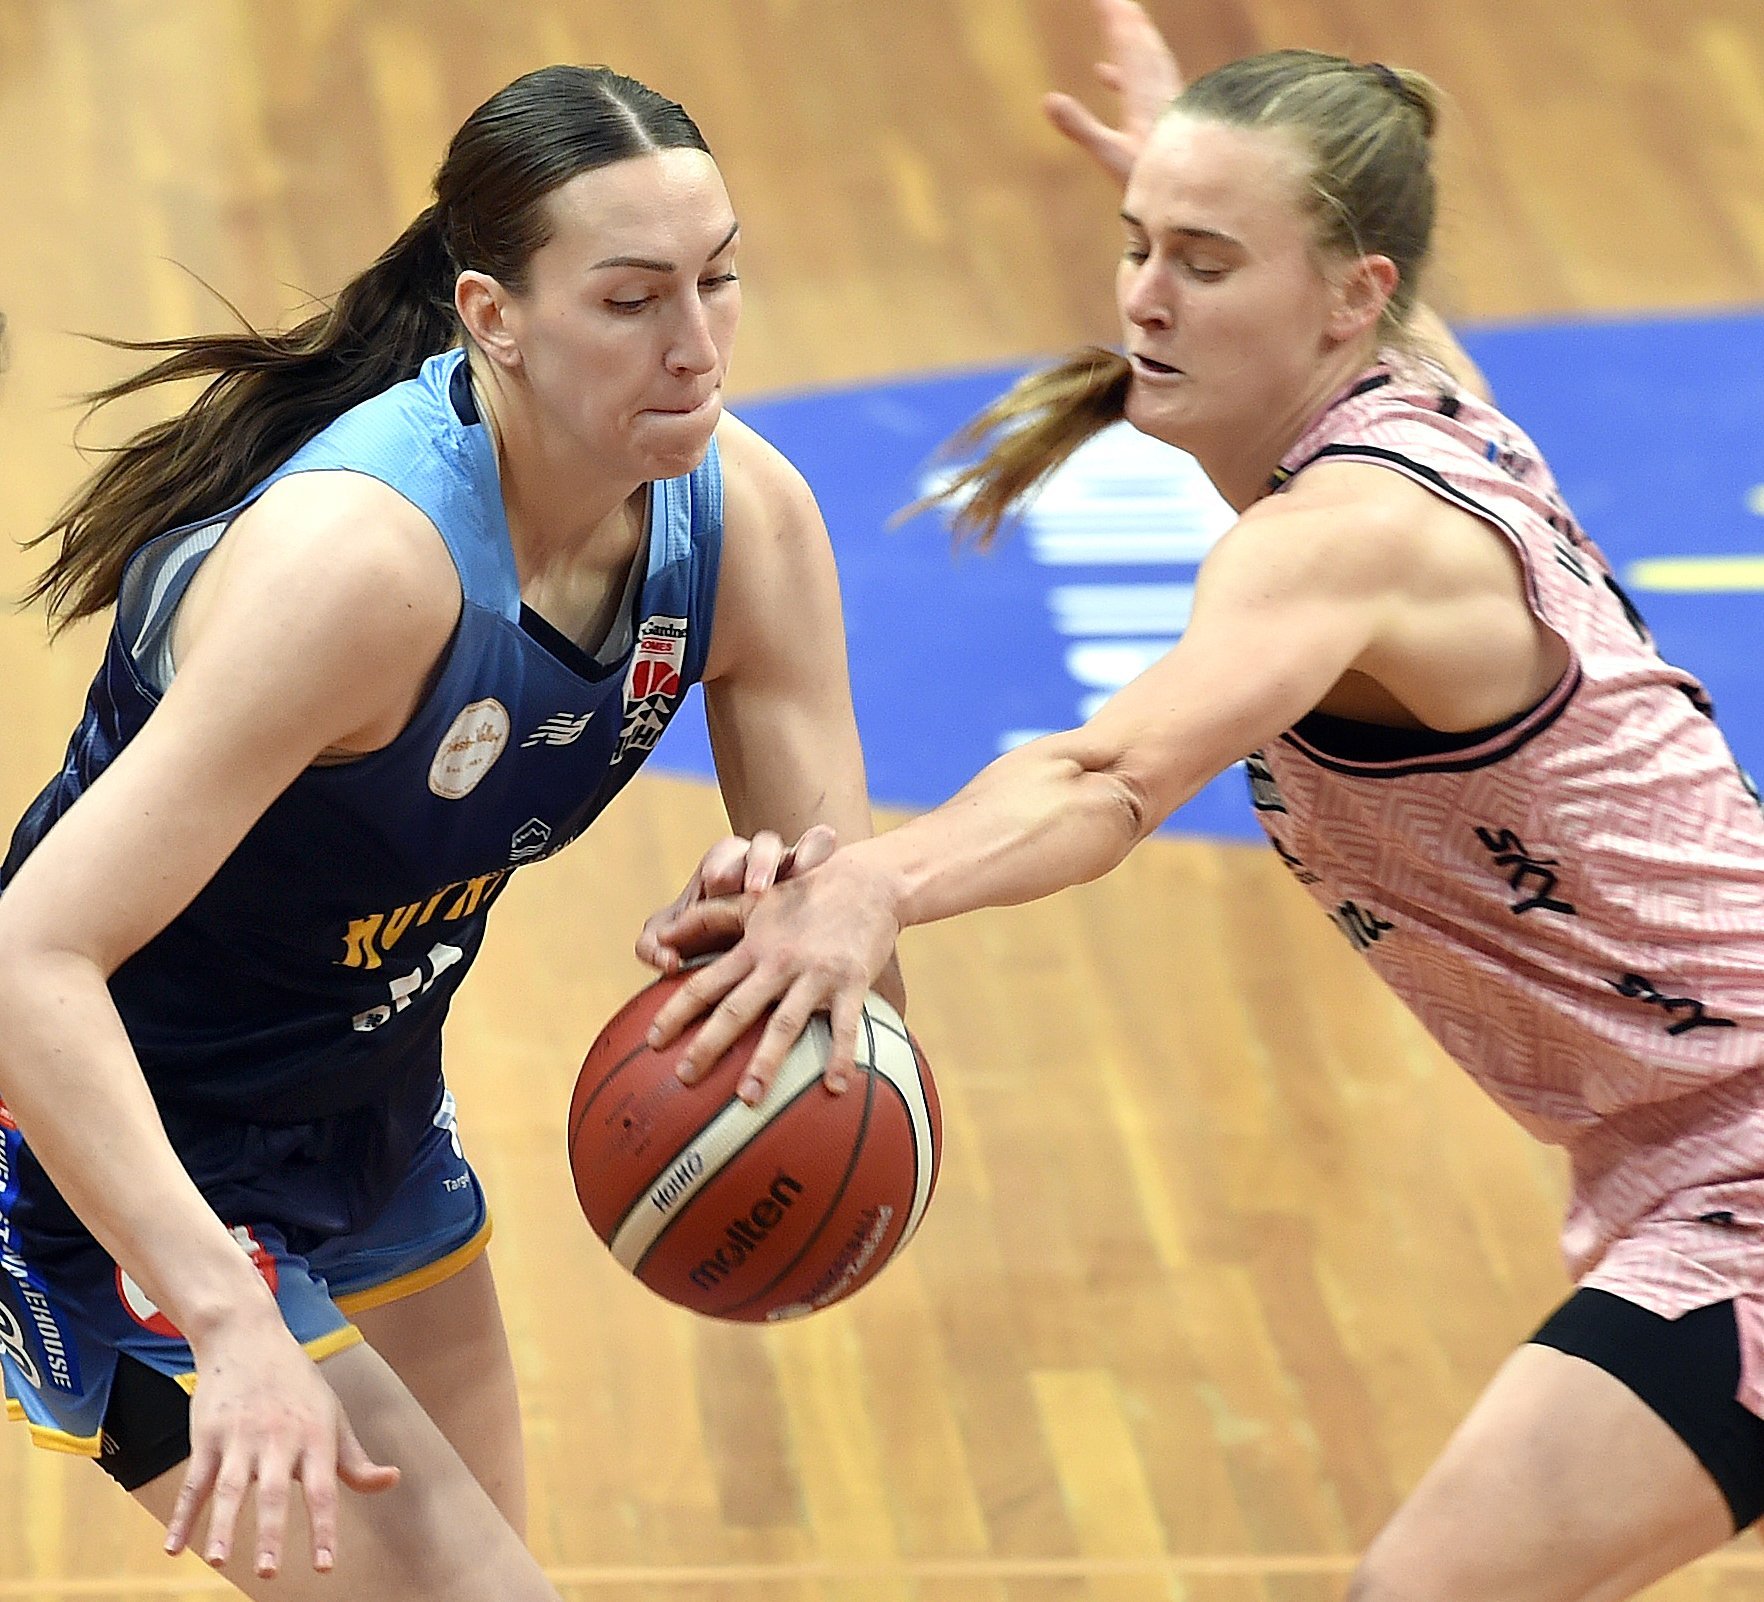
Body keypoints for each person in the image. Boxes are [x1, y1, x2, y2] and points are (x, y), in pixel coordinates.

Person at [641, 6, 1764, 1598]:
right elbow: (1368, 275)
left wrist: (873, 886)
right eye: (1136, 244)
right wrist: (1224, 185)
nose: (1143, 299)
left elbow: (1109, 773)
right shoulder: (1423, 391)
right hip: (1679, 1142)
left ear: (1353, 297)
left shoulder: (1342, 535)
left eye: (1208, 264)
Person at [0, 63, 898, 1597]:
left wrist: (792, 926)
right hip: (95, 1164)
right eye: (631, 301)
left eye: (719, 280)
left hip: (367, 1119)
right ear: (492, 314)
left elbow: (858, 974)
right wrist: (224, 1315)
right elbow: (24, 956)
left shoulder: (749, 527)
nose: (697, 346)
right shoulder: (366, 569)